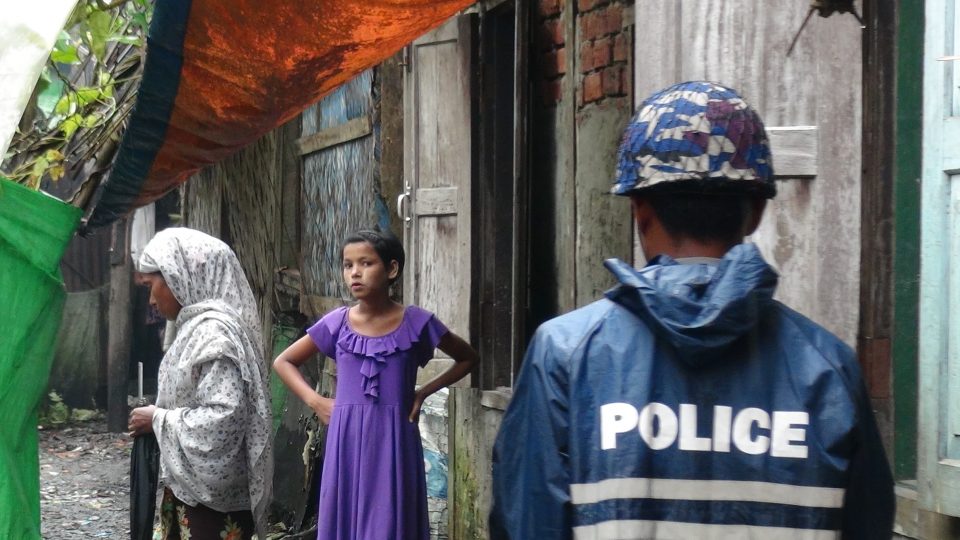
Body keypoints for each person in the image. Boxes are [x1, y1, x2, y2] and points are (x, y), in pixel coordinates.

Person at [489, 81, 895, 539]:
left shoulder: (564, 353)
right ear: (757, 211)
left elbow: (526, 522)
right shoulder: (827, 367)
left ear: (640, 210)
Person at [273, 229, 479, 540]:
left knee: (390, 522)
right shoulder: (336, 323)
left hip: (394, 438)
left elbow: (467, 358)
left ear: (392, 269)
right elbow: (283, 362)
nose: (354, 272)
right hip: (346, 438)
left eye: (366, 263)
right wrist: (316, 402)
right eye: (347, 265)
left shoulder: (418, 323)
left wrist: (423, 393)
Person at [127, 228, 273, 540]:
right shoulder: (194, 328)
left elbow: (223, 420)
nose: (151, 300)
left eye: (153, 286)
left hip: (211, 510)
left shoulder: (214, 335)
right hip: (190, 495)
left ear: (182, 278)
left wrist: (157, 419)